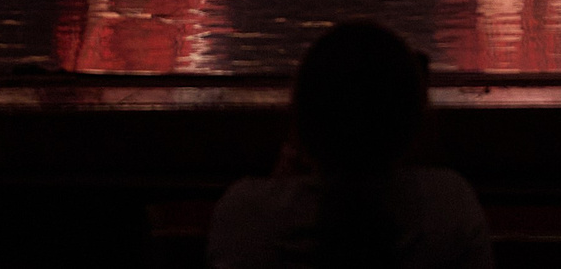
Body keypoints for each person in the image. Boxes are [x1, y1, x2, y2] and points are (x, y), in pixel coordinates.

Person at [207, 20, 491, 269]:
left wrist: (279, 185)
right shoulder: (449, 208)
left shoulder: (245, 215)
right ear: (416, 125)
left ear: (300, 124)